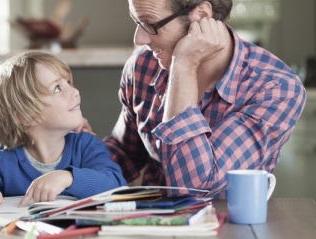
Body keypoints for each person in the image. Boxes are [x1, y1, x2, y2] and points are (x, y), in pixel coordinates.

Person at [78, 0, 306, 198]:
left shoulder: (276, 88)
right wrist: (75, 156)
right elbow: (124, 152)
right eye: (136, 22)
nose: (139, 39)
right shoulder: (142, 65)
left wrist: (184, 66)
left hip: (228, 229)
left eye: (149, 23)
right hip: (152, 226)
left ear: (201, 16)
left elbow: (193, 187)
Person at [0, 50, 126, 208]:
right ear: (25, 116)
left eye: (69, 83)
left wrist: (68, 178)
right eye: (58, 88)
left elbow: (117, 185)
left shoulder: (86, 146)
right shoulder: (2, 162)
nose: (75, 91)